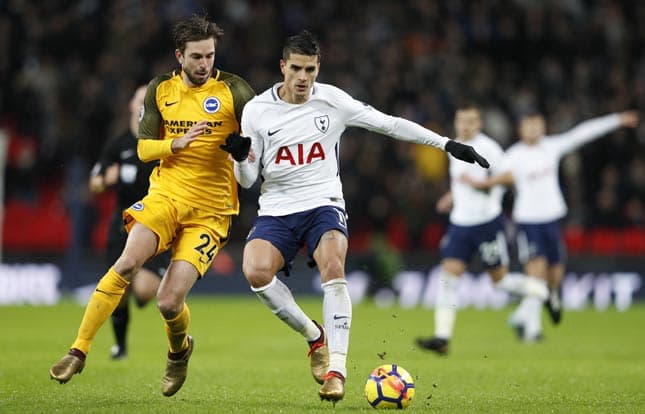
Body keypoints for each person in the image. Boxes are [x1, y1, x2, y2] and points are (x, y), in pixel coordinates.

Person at [219, 30, 489, 403]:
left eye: (310, 70)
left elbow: (390, 123)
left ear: (318, 68)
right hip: (278, 208)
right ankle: (315, 337)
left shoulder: (333, 101)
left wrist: (446, 144)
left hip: (323, 202)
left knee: (333, 265)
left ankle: (337, 371)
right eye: (295, 68)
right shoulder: (257, 111)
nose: (302, 78)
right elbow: (249, 181)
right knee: (255, 272)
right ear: (282, 66)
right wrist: (239, 157)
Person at [49, 14, 255, 397]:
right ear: (180, 55)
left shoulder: (236, 91)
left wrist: (246, 151)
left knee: (167, 300)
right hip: (166, 196)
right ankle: (78, 350)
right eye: (196, 56)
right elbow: (144, 148)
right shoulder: (160, 90)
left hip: (211, 212)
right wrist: (172, 145)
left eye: (209, 56)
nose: (204, 64)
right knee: (126, 263)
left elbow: (261, 138)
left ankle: (179, 352)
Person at [462, 110, 639, 341]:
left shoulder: (551, 147)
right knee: (536, 272)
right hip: (527, 220)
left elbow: (583, 133)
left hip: (552, 219)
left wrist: (616, 120)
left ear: (543, 127)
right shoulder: (513, 156)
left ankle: (522, 315)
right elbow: (497, 183)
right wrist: (471, 192)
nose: (534, 129)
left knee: (555, 276)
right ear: (520, 129)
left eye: (537, 124)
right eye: (529, 125)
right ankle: (533, 331)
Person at [415, 104, 548, 354]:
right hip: (460, 223)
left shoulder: (488, 148)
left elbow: (509, 178)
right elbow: (460, 180)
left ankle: (542, 291)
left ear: (479, 124)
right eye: (461, 121)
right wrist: (451, 196)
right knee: (448, 276)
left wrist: (481, 184)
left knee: (500, 282)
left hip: (487, 223)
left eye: (470, 121)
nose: (465, 126)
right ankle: (442, 338)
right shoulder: (453, 145)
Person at [88, 85, 171, 360]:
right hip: (122, 226)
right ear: (132, 106)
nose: (144, 107)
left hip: (157, 224)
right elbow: (95, 182)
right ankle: (120, 346)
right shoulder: (119, 144)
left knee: (144, 292)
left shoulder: (163, 141)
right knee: (119, 291)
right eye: (140, 101)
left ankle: (142, 281)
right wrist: (105, 180)